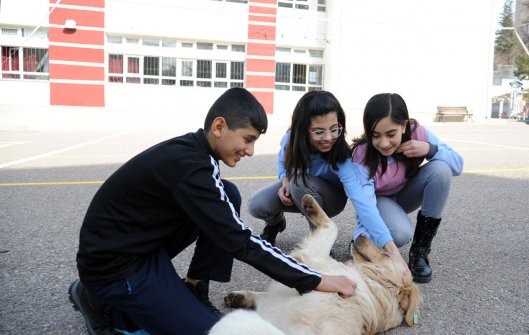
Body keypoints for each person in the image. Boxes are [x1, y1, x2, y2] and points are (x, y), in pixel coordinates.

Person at [68, 88, 357, 335]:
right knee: (211, 332)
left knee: (228, 194)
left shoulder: (195, 154)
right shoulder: (192, 168)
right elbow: (240, 241)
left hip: (138, 248)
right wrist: (315, 279)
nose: (251, 150)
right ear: (219, 127)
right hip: (116, 269)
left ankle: (194, 287)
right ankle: (94, 296)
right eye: (247, 139)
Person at [247, 90, 407, 267]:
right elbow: (282, 161)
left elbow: (362, 200)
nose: (328, 138)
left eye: (334, 130)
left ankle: (319, 243)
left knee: (300, 182)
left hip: (330, 199)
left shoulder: (342, 157)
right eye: (319, 132)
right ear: (303, 129)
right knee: (257, 205)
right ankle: (275, 223)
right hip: (298, 188)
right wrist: (285, 181)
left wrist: (390, 246)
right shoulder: (291, 139)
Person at [351, 93, 463, 283]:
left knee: (441, 169)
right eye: (375, 135)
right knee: (400, 234)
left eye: (391, 134)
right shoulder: (362, 156)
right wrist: (370, 241)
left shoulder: (418, 133)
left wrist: (430, 149)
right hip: (380, 202)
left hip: (405, 195)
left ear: (404, 126)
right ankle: (364, 241)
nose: (384, 143)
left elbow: (457, 165)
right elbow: (366, 207)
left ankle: (419, 252)